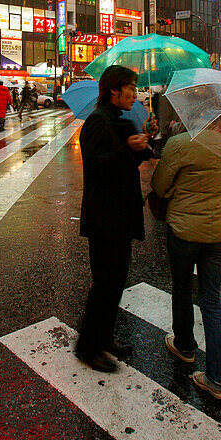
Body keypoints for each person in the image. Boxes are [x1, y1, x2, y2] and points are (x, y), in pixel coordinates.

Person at [151, 126, 221, 400]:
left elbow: (159, 186)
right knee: (211, 301)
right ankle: (218, 378)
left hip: (184, 229)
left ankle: (185, 346)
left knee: (182, 288)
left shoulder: (181, 143)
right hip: (218, 231)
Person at [76, 65, 154, 373]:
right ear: (114, 90)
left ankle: (103, 337)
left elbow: (128, 161)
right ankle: (87, 348)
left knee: (116, 281)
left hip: (119, 215)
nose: (135, 95)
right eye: (131, 89)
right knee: (105, 283)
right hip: (105, 217)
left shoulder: (117, 121)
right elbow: (97, 166)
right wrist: (127, 149)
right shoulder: (97, 122)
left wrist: (144, 145)